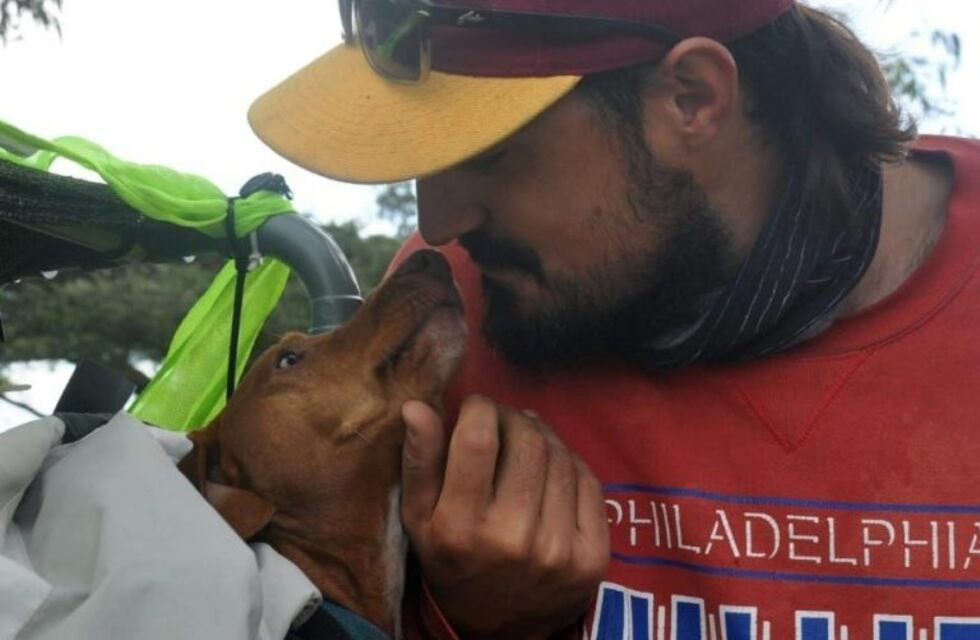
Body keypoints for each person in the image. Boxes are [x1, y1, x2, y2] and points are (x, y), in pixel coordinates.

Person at [248, 0, 980, 637]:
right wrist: (473, 619)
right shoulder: (451, 313)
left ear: (692, 98)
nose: (437, 224)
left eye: (491, 154)